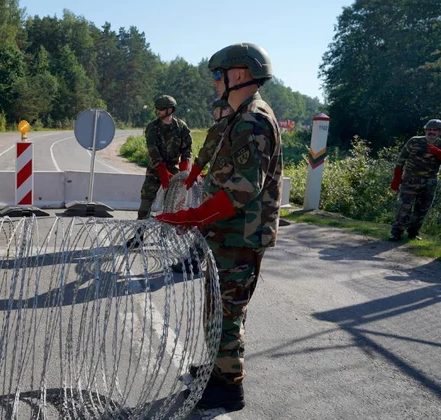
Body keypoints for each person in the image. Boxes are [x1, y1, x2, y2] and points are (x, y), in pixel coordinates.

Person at [156, 42, 282, 411]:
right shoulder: (239, 117)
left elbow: (242, 190)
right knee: (218, 308)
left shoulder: (252, 120)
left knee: (227, 311)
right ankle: (217, 370)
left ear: (238, 75)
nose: (214, 83)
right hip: (229, 232)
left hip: (239, 234)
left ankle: (228, 386)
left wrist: (190, 217)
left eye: (217, 75)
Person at [126, 95, 192, 249]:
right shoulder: (152, 127)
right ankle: (138, 236)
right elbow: (153, 151)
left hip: (174, 172)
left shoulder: (181, 127)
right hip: (155, 171)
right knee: (145, 204)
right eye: (157, 109)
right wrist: (162, 172)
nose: (158, 111)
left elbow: (187, 150)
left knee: (170, 206)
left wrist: (184, 172)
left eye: (161, 109)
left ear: (170, 110)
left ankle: (165, 236)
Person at [389, 119, 441, 241]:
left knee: (423, 208)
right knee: (404, 207)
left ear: (439, 132)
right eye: (429, 129)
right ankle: (396, 232)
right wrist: (396, 178)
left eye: (435, 130)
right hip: (411, 179)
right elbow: (401, 159)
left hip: (430, 181)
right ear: (425, 130)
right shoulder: (415, 141)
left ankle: (413, 232)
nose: (431, 132)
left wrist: (438, 152)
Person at [183, 99, 233, 189]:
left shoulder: (219, 128)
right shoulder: (238, 124)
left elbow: (205, 154)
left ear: (228, 110)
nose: (214, 112)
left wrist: (193, 174)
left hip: (220, 178)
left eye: (217, 109)